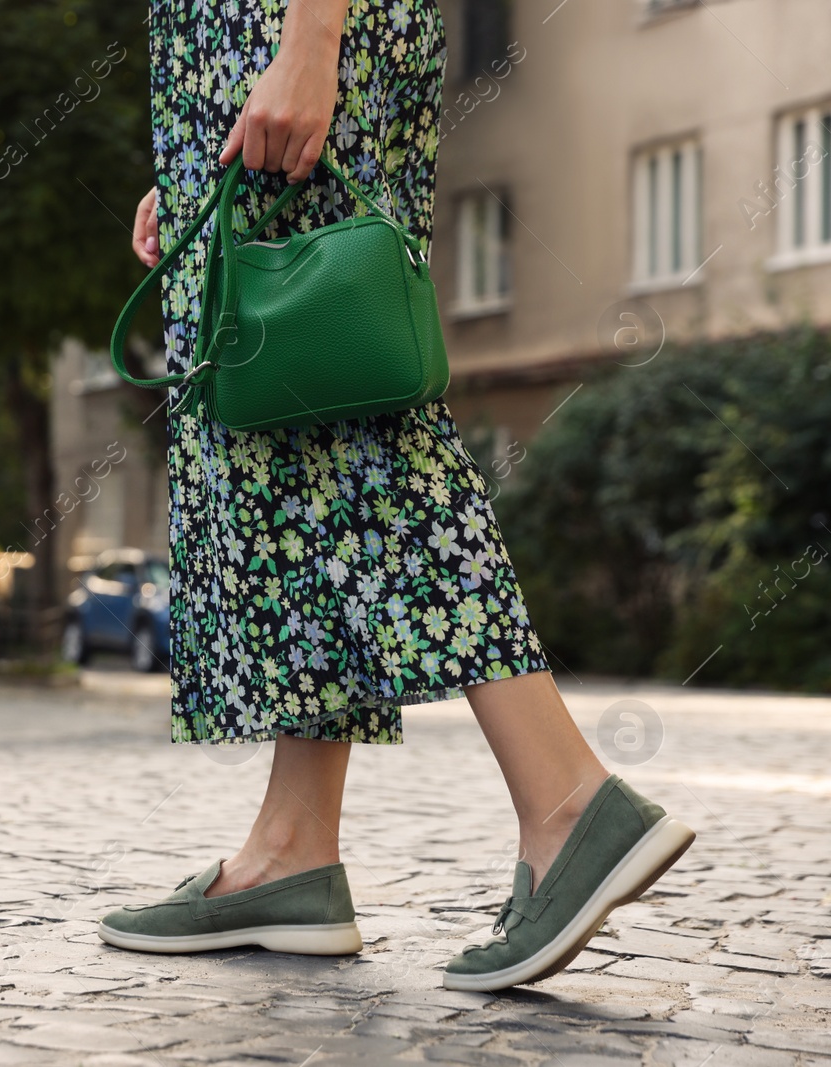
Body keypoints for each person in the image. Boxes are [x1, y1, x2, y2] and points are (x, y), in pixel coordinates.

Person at [99, 0, 694, 992]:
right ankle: (292, 844)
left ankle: (568, 799)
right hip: (250, 39)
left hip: (284, 19)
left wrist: (306, 44)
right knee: (300, 446)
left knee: (350, 415)